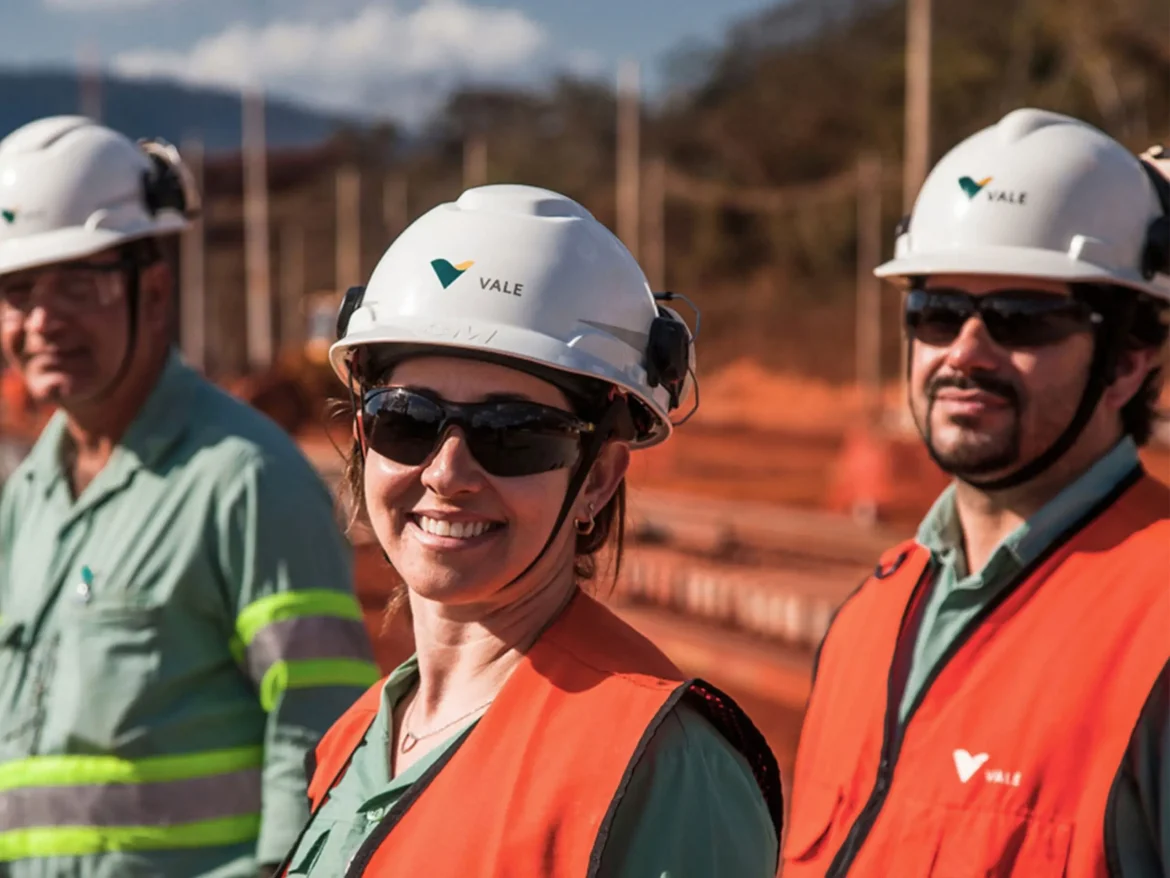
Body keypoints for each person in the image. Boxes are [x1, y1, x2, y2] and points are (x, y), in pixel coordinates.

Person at [277, 183, 784, 877]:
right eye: (407, 420)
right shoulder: (356, 741)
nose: (447, 472)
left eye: (513, 434)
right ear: (364, 437)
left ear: (599, 478)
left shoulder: (661, 769)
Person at [782, 107, 1169, 876]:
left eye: (1021, 320)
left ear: (1128, 359)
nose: (965, 351)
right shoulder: (872, 614)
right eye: (938, 312)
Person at [0, 116, 381, 878]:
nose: (43, 320)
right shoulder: (30, 492)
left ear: (157, 287)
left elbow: (319, 731)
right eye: (17, 290)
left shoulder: (244, 477)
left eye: (78, 283)